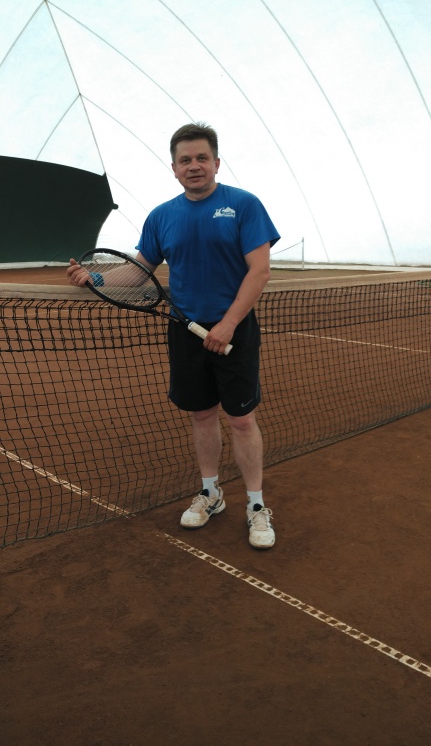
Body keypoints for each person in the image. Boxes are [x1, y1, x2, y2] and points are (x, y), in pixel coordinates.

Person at [68, 122, 280, 549]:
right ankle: (210, 493)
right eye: (185, 160)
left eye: (202, 158)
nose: (194, 166)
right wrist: (95, 278)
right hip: (185, 331)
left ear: (216, 163)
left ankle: (256, 505)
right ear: (174, 168)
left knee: (241, 419)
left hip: (234, 329)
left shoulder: (244, 205)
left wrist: (227, 324)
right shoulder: (162, 216)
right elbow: (138, 271)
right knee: (201, 415)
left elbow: (259, 271)